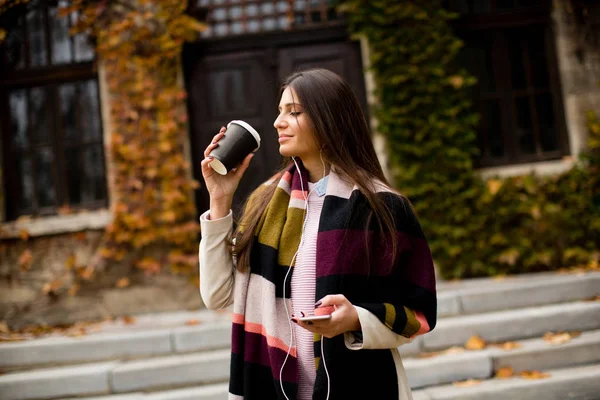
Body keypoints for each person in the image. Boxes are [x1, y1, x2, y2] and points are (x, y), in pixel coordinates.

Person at [199, 68, 437, 400]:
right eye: (280, 112)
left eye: (293, 112)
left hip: (362, 387)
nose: (278, 123)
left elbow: (418, 313)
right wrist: (219, 200)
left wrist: (355, 318)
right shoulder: (265, 202)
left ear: (330, 119)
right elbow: (218, 295)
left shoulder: (381, 207)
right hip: (268, 386)